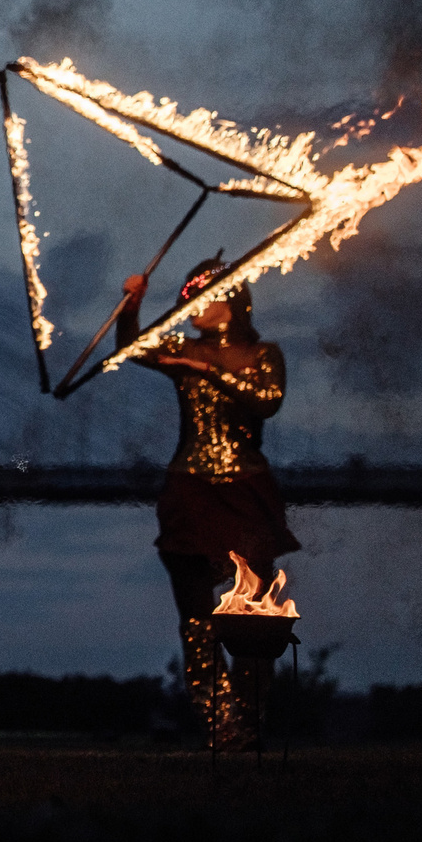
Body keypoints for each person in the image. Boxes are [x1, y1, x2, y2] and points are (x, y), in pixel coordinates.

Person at [119, 257, 294, 750]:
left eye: (201, 295)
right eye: (187, 295)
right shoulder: (182, 348)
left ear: (231, 303)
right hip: (190, 491)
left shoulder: (263, 353)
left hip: (246, 491)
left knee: (256, 614)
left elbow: (267, 401)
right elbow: (131, 348)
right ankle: (220, 723)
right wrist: (132, 305)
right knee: (196, 615)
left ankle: (250, 718)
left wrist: (206, 370)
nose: (189, 304)